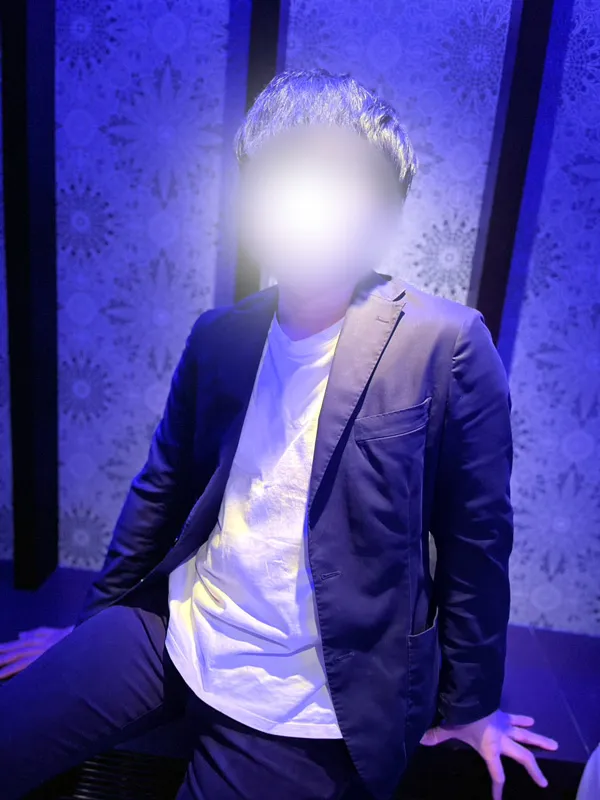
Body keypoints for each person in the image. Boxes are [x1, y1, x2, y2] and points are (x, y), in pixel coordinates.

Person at [0, 69, 558, 800]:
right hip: (172, 626)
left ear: (382, 214)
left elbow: (476, 538)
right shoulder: (220, 335)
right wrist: (93, 628)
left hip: (310, 694)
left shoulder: (446, 342)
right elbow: (159, 492)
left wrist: (473, 704)